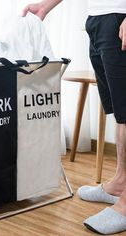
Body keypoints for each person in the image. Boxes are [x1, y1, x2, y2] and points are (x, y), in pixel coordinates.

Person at [23, 0, 126, 234]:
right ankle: (119, 184)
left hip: (120, 16)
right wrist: (46, 6)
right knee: (120, 112)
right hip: (99, 20)